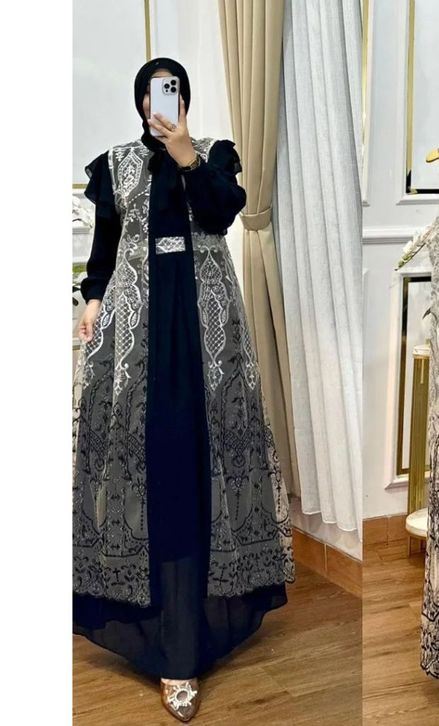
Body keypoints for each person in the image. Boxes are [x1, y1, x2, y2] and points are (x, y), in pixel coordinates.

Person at [72, 57, 294, 723]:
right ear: (138, 101)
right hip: (137, 340)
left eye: (167, 92)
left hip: (207, 341)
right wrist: (91, 301)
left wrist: (188, 156)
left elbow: (224, 216)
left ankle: (193, 637)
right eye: (149, 94)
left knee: (202, 466)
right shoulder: (115, 165)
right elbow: (105, 249)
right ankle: (162, 637)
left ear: (183, 99)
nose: (157, 104)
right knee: (152, 468)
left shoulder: (215, 156)